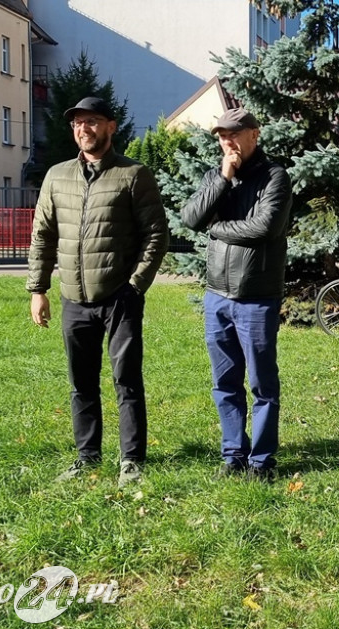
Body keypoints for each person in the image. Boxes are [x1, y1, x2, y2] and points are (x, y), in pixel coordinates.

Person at [27, 96, 169, 487]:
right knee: (81, 382)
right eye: (77, 123)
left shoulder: (133, 174)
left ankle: (131, 460)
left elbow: (156, 235)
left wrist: (135, 286)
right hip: (74, 298)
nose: (83, 129)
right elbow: (42, 236)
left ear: (110, 126)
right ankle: (87, 457)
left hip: (118, 298)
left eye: (92, 122)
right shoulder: (56, 177)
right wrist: (38, 288)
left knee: (126, 380)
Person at [181, 108, 292, 481]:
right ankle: (233, 455)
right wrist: (223, 179)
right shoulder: (218, 176)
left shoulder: (274, 176)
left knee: (262, 384)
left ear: (253, 135)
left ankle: (261, 462)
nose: (226, 141)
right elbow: (191, 218)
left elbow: (265, 227)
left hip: (256, 297)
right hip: (217, 298)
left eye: (233, 134)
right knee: (225, 383)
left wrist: (218, 228)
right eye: (220, 135)